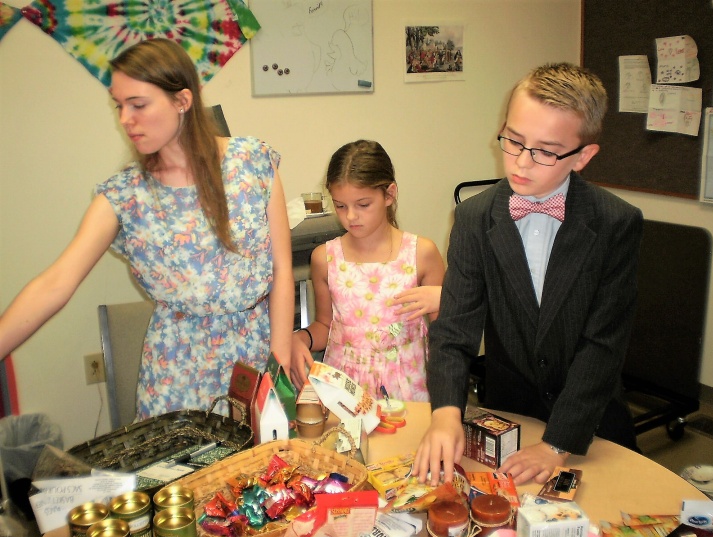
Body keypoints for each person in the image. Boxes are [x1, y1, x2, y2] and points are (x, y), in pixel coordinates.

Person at [0, 38, 294, 419]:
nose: (125, 119)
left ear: (182, 101)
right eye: (119, 105)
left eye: (138, 104)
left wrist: (279, 363)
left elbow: (283, 272)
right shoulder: (126, 195)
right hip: (176, 377)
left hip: (256, 360)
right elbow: (56, 283)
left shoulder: (252, 162)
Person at [413, 63, 643, 486]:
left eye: (545, 151)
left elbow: (603, 347)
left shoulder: (617, 223)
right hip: (507, 422)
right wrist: (446, 414)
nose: (520, 162)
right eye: (513, 141)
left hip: (588, 424)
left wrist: (557, 444)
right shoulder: (473, 218)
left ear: (583, 157)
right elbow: (454, 332)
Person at [289, 140, 445, 400]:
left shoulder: (421, 254)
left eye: (363, 205)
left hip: (405, 390)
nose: (350, 216)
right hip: (344, 390)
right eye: (340, 205)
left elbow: (445, 337)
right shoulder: (324, 258)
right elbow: (326, 325)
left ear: (389, 194)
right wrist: (300, 338)